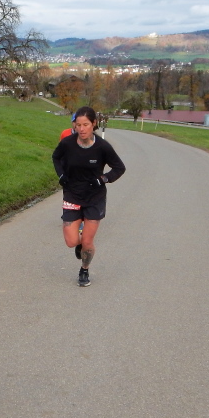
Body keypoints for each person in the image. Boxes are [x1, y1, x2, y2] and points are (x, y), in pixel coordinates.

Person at [52, 106, 126, 287]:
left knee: (87, 241)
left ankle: (84, 269)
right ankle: (80, 245)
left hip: (94, 197)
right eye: (78, 125)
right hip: (72, 194)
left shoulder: (102, 147)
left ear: (94, 124)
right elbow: (56, 157)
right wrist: (61, 175)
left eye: (85, 124)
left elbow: (119, 168)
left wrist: (104, 179)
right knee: (71, 242)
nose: (82, 129)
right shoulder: (67, 143)